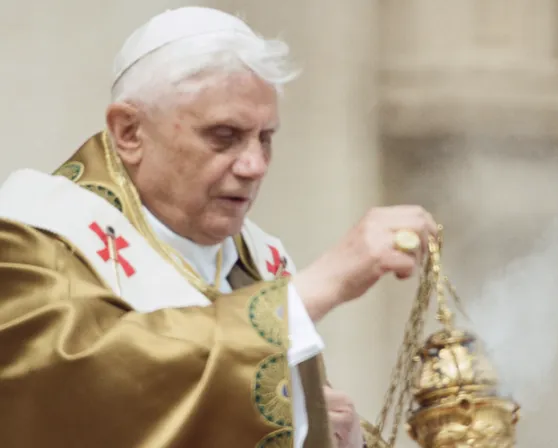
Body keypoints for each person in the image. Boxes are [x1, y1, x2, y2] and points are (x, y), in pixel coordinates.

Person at [0, 7, 437, 448]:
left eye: (265, 138)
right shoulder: (33, 238)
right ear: (129, 131)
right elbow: (91, 390)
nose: (255, 165)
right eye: (224, 136)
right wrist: (318, 288)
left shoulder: (256, 263)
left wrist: (336, 439)